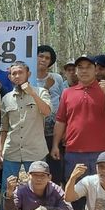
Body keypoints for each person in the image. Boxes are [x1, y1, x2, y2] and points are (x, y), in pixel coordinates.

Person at [51, 54, 105, 178]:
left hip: (100, 152)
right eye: (80, 67)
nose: (84, 70)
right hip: (73, 152)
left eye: (88, 67)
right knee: (75, 193)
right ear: (76, 71)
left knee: (99, 193)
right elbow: (61, 121)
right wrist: (55, 144)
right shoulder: (67, 93)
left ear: (95, 70)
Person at [0, 62, 51, 194]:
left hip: (35, 150)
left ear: (28, 74)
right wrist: (0, 150)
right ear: (10, 77)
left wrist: (32, 93)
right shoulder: (6, 99)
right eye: (13, 73)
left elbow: (47, 111)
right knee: (7, 187)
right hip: (12, 149)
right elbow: (4, 127)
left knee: (38, 188)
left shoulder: (41, 92)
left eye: (20, 72)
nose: (17, 76)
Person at [34, 45, 65, 183]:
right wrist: (45, 87)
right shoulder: (29, 78)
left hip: (55, 131)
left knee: (55, 168)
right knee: (39, 168)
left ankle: (56, 197)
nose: (43, 60)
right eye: (41, 56)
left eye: (47, 58)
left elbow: (64, 102)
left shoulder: (57, 78)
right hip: (36, 130)